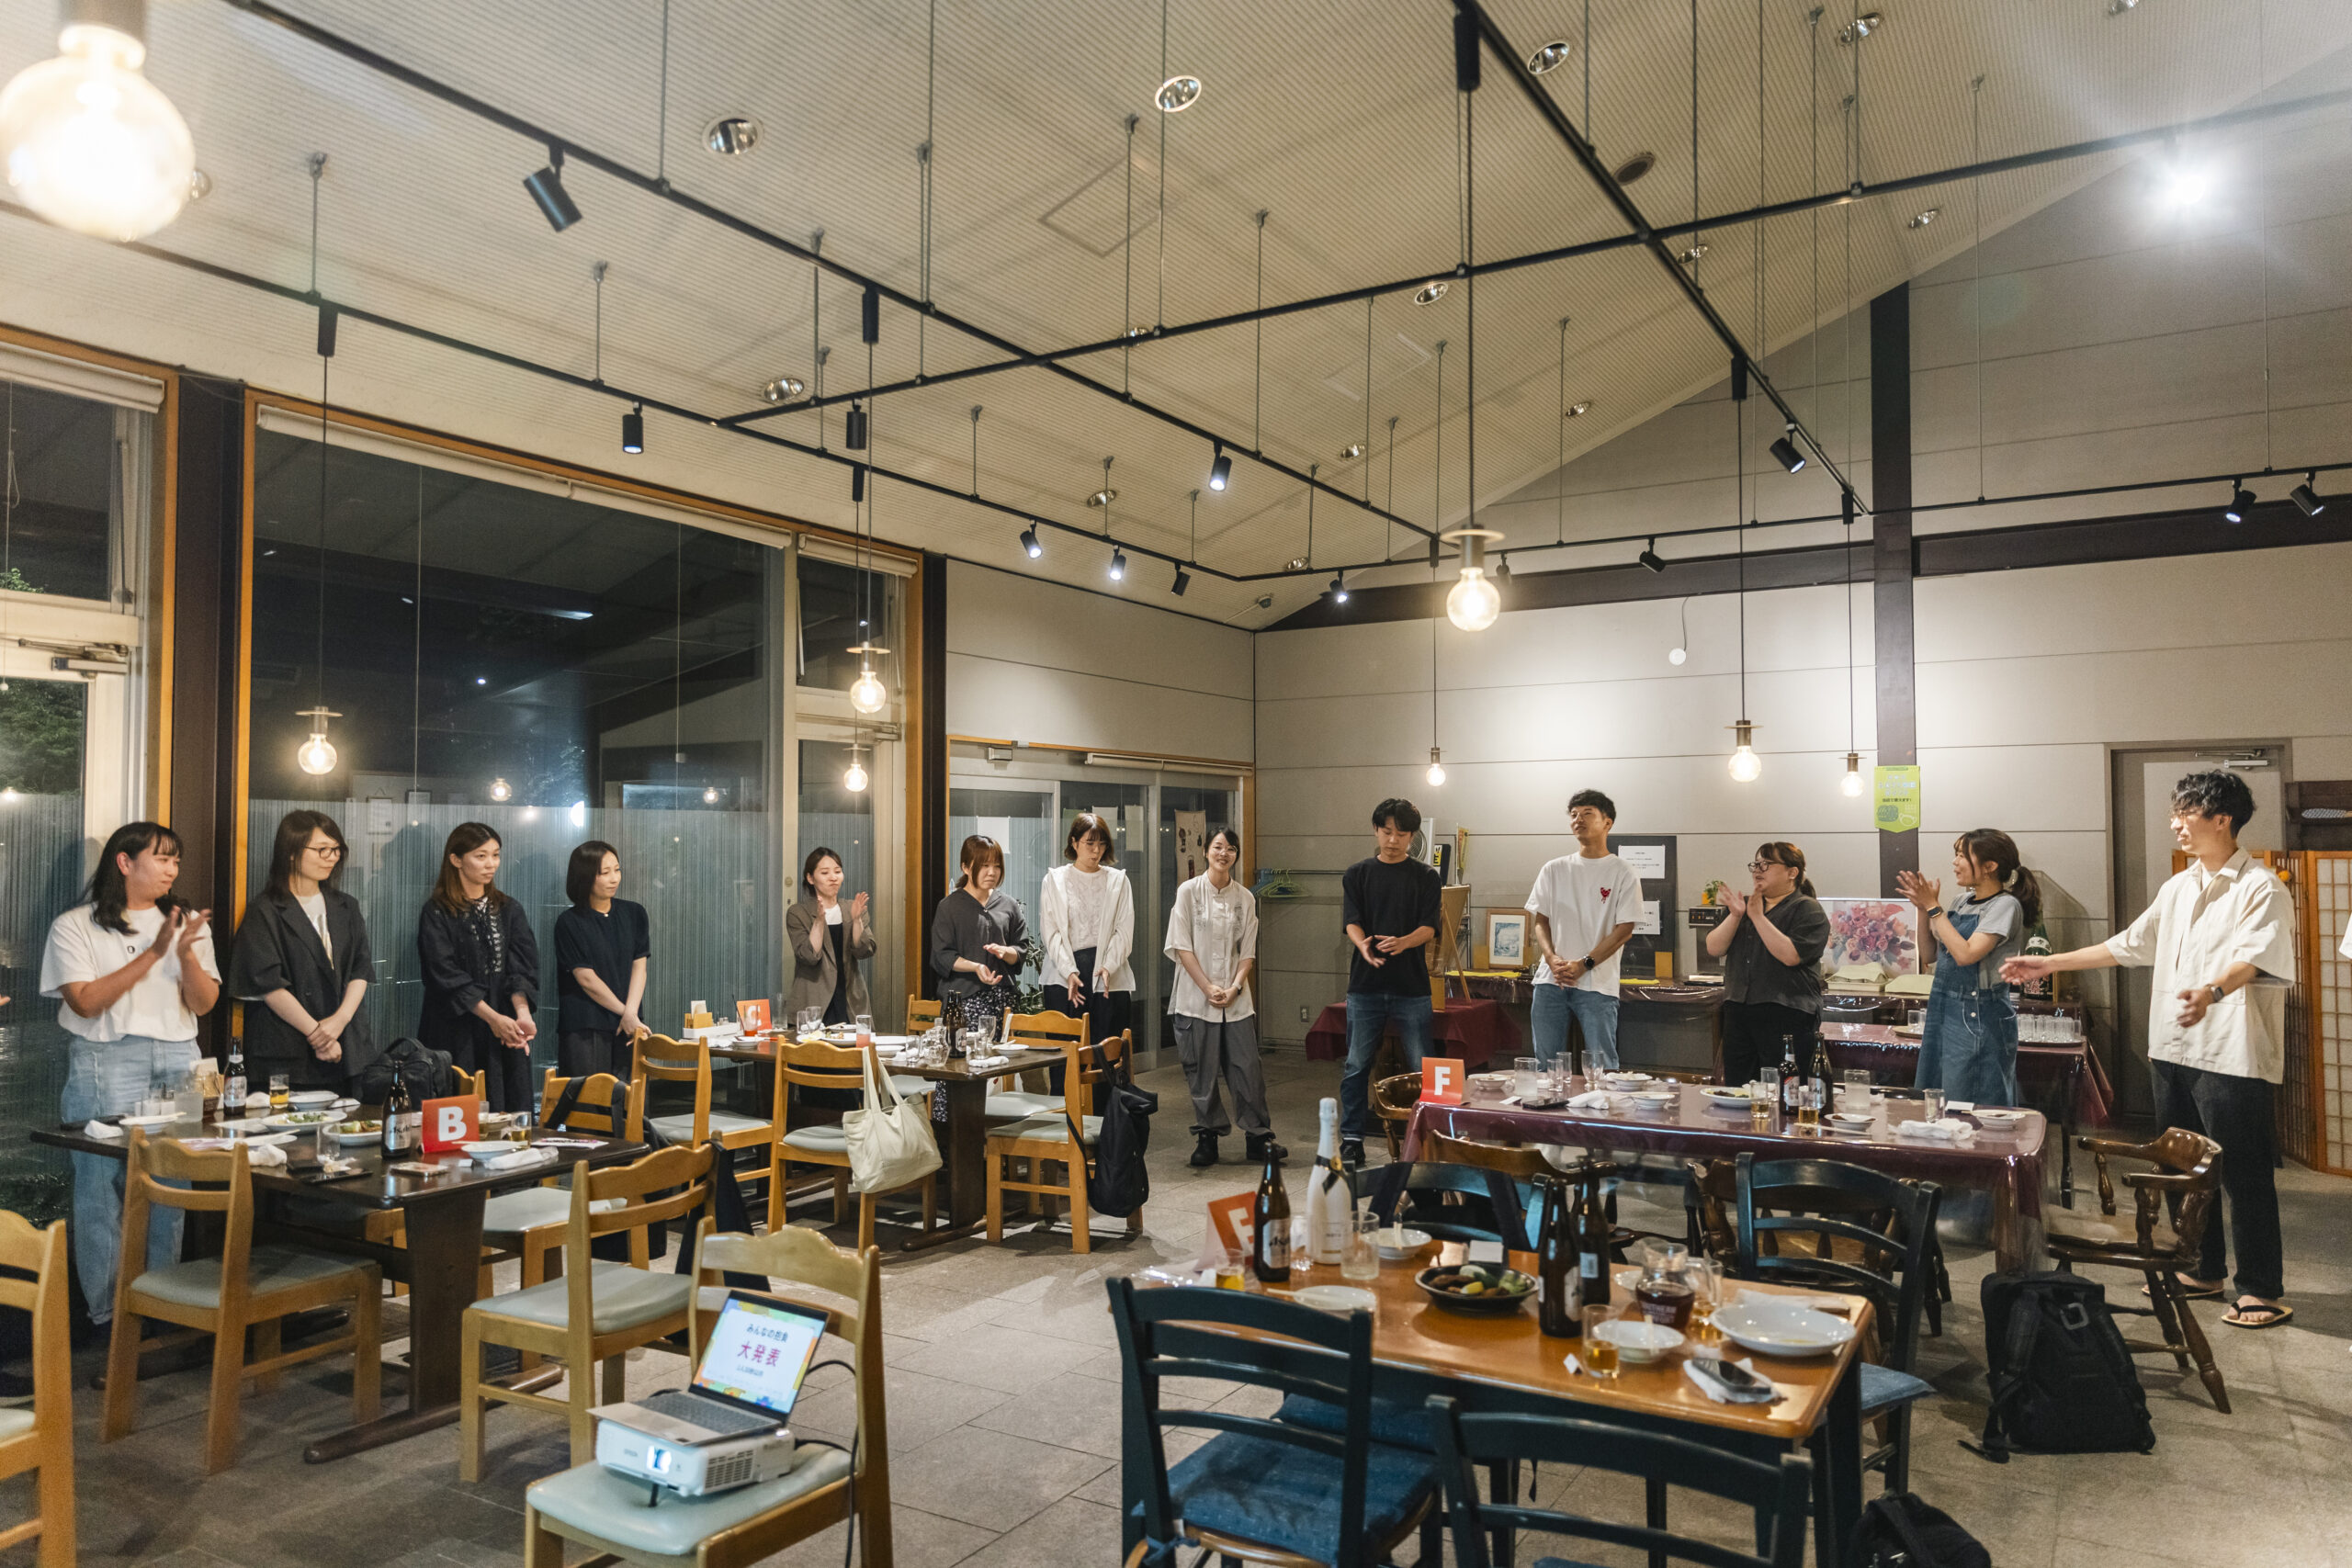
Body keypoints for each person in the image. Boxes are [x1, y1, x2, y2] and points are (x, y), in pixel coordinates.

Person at [2004, 771, 2295, 1331]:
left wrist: (2212, 993)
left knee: (2244, 1174)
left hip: (2233, 1052)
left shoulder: (2261, 886)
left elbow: (2256, 959)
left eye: (2186, 813)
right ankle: (2202, 1268)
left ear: (2222, 819)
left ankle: (2261, 1287)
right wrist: (2051, 962)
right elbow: (2128, 946)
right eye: (2175, 813)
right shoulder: (2178, 886)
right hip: (2172, 1046)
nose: (2175, 823)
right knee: (2183, 1167)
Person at [41, 822, 218, 1325]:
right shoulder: (76, 925)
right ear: (124, 861)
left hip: (179, 1056)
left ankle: (162, 1305)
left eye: (176, 860)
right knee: (101, 1187)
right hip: (107, 1057)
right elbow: (86, 1001)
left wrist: (184, 953)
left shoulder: (183, 923)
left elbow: (204, 1002)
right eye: (162, 858)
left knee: (171, 1182)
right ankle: (108, 1315)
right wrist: (155, 953)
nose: (172, 869)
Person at [228, 810, 378, 1094]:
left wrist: (339, 1021)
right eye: (322, 850)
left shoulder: (347, 906)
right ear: (291, 852)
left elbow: (361, 969)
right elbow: (268, 985)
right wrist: (317, 1034)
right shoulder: (265, 910)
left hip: (347, 1047)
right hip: (288, 1050)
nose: (332, 858)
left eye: (336, 850)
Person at [1898, 829, 2041, 1107]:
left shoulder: (2005, 905)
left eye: (1963, 855)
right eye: (1956, 855)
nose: (1955, 862)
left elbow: (1966, 955)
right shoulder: (1961, 902)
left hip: (1979, 1013)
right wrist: (1922, 909)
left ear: (1989, 866)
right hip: (1943, 1006)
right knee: (1936, 1096)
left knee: (1971, 1101)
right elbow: (1929, 955)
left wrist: (1933, 907)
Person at [1339, 797, 1443, 1169]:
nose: (1393, 840)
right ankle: (1352, 1139)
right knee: (1356, 1065)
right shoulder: (1357, 873)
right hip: (1365, 984)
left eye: (1401, 834)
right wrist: (1362, 944)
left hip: (1411, 986)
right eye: (1387, 832)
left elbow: (1430, 928)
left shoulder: (1426, 877)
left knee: (1423, 1066)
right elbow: (1351, 921)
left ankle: (1430, 1138)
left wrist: (1404, 942)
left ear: (1413, 836)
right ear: (1376, 830)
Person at [1167, 827, 1280, 1168]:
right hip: (1195, 997)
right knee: (1201, 1070)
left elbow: (1247, 952)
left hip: (1236, 998)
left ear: (1236, 855)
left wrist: (1235, 987)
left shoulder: (1245, 898)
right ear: (1206, 851)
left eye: (1231, 849)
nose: (1224, 853)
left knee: (1247, 1068)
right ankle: (1208, 1136)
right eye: (1218, 847)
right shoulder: (1188, 892)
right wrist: (1206, 987)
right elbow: (1181, 946)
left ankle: (1258, 1137)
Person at [416, 822, 540, 1113]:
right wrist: (492, 1018)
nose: (491, 864)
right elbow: (444, 975)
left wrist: (522, 1015)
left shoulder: (509, 908)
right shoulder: (437, 911)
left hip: (506, 1027)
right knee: (459, 1109)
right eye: (481, 856)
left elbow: (522, 968)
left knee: (510, 1109)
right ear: (456, 859)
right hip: (456, 1027)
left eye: (495, 855)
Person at [1524, 789, 1645, 1073]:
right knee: (1546, 1067)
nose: (1578, 819)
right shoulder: (1553, 869)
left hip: (1597, 983)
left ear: (1608, 823)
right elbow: (1541, 921)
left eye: (1588, 813)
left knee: (1602, 1068)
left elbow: (1624, 930)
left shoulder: (1623, 872)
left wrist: (1584, 964)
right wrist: (1552, 959)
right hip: (1551, 980)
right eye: (1574, 815)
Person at [1707, 840, 1831, 1087]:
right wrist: (1736, 915)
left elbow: (1790, 955)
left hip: (1787, 1011)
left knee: (1786, 1088)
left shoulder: (1807, 909)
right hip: (1739, 1008)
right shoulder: (1744, 906)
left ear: (1792, 872)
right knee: (1739, 1087)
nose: (1757, 870)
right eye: (1755, 864)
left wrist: (1757, 917)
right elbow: (1714, 948)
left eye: (1766, 864)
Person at [1039, 812, 1136, 1051]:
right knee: (1067, 1052)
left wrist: (1109, 966)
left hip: (1108, 974)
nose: (1096, 851)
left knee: (1107, 1050)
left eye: (1102, 844)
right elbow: (1051, 933)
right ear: (1074, 843)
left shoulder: (1118, 881)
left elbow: (1124, 931)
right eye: (1089, 843)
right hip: (1065, 975)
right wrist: (1069, 971)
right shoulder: (1054, 880)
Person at [552, 840, 649, 1078]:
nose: (614, 878)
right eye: (604, 873)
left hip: (630, 1022)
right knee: (590, 1095)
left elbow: (640, 967)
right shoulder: (569, 922)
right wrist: (626, 1014)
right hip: (586, 1025)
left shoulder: (634, 913)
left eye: (617, 870)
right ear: (585, 877)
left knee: (632, 1093)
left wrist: (631, 1014)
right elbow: (586, 978)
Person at [929, 834, 1027, 1037]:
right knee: (964, 1054)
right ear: (965, 867)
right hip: (963, 999)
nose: (992, 872)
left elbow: (1021, 949)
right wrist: (976, 967)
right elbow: (942, 955)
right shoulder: (949, 906)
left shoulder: (1009, 905)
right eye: (984, 866)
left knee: (1003, 1055)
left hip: (1003, 999)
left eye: (997, 866)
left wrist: (1005, 952)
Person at [786, 846, 875, 1026]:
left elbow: (864, 951)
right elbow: (809, 957)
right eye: (825, 873)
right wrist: (819, 921)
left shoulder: (852, 908)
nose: (833, 877)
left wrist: (856, 920)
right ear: (810, 878)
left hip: (850, 1001)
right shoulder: (798, 913)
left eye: (838, 871)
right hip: (812, 1002)